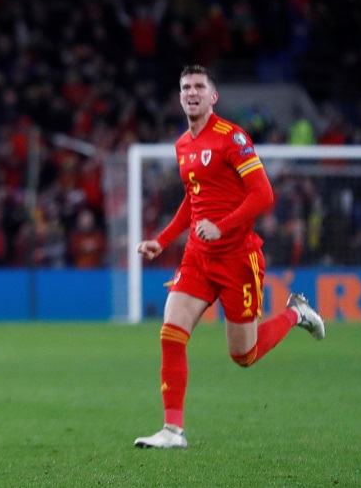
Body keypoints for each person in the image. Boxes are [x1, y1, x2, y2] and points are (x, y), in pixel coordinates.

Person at [133, 65, 324, 449]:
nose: (192, 92)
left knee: (244, 355)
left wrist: (222, 226)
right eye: (185, 86)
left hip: (238, 259)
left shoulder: (232, 138)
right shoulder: (182, 145)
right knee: (171, 333)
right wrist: (163, 238)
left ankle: (297, 313)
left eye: (199, 87)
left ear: (212, 97)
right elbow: (193, 199)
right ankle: (173, 431)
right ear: (180, 96)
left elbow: (263, 195)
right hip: (198, 257)